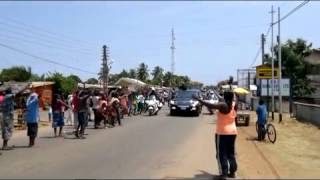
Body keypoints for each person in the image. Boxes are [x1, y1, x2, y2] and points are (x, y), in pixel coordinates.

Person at [193, 90, 238, 179]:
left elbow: (210, 105)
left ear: (225, 97)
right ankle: (232, 172)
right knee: (231, 153)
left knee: (221, 154)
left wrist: (198, 99)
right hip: (233, 132)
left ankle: (223, 174)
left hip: (222, 133)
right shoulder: (234, 104)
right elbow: (221, 98)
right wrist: (216, 92)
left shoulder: (223, 106)